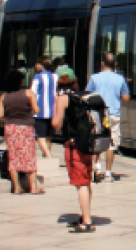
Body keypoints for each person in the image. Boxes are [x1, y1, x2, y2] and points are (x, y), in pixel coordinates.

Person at [51, 76, 95, 233]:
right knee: (86, 181)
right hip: (88, 144)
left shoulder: (62, 98)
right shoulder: (82, 97)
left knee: (80, 183)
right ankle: (85, 215)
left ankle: (87, 222)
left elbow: (56, 124)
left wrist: (55, 108)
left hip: (74, 145)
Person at [0, 70, 43, 194]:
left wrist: (11, 114)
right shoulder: (28, 93)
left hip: (10, 127)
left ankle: (17, 187)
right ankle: (33, 187)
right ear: (20, 81)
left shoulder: (3, 96)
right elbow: (36, 110)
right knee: (29, 155)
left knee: (13, 155)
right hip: (26, 127)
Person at [86, 53, 130, 183]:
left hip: (98, 114)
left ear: (102, 63)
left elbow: (87, 95)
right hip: (113, 115)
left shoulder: (94, 78)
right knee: (111, 144)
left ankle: (97, 168)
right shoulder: (120, 79)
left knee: (97, 140)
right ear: (115, 64)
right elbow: (126, 98)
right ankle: (108, 173)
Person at [30, 56, 58, 159]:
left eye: (37, 64)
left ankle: (48, 156)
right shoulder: (56, 76)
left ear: (41, 65)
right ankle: (47, 155)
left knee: (40, 137)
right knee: (49, 136)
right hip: (53, 111)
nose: (35, 66)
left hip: (40, 111)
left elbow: (32, 93)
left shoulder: (37, 77)